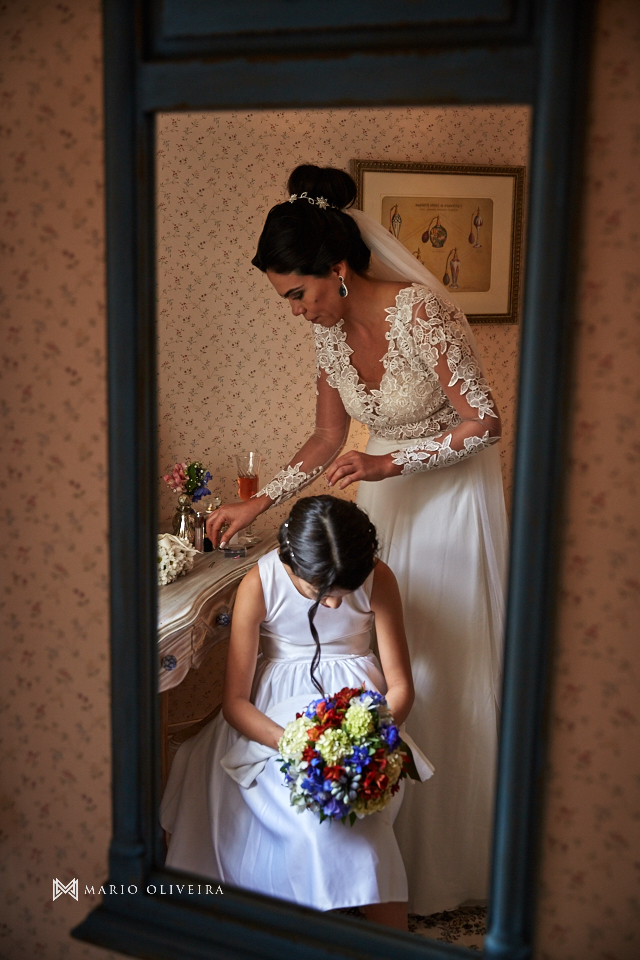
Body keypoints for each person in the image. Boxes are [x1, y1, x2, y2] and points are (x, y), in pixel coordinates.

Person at [206, 164, 509, 915]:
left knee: (450, 664)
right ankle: (380, 853)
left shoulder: (420, 313)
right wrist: (263, 505)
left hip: (448, 497)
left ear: (336, 271)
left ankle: (454, 861)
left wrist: (387, 460)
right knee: (384, 662)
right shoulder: (332, 337)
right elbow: (326, 436)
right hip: (382, 503)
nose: (296, 311)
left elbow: (485, 422)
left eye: (298, 294)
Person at [162, 495, 430, 930]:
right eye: (321, 594)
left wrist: (373, 731)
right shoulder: (261, 582)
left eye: (345, 594)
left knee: (361, 815)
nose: (334, 607)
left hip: (360, 711)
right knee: (308, 819)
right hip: (275, 721)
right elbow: (234, 703)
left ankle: (388, 930)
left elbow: (401, 686)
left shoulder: (379, 577)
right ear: (292, 563)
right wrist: (297, 743)